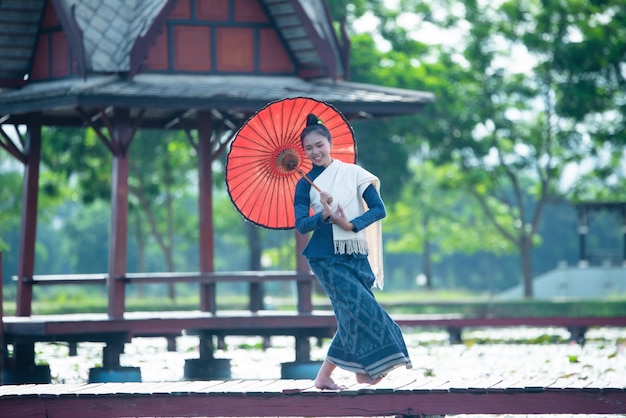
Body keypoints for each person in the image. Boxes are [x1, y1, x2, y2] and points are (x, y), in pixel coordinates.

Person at [294, 113, 412, 390]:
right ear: (304, 151)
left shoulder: (354, 173)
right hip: (325, 257)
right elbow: (301, 226)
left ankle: (326, 377)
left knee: (350, 314)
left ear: (330, 143)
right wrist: (324, 214)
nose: (315, 152)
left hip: (357, 254)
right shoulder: (304, 184)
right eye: (309, 148)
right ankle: (374, 367)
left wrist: (350, 224)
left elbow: (379, 209)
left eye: (319, 145)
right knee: (362, 308)